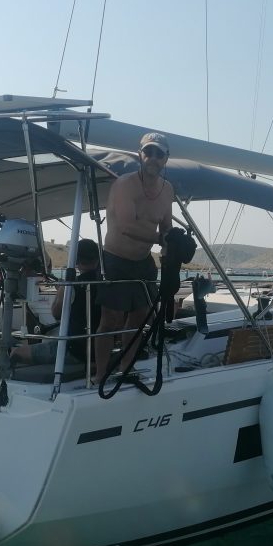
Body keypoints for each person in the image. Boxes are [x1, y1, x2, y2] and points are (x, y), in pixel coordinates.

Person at [95, 131, 175, 379]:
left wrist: (172, 252)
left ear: (166, 158)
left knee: (140, 319)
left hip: (143, 262)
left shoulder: (167, 190)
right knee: (110, 320)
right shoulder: (124, 185)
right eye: (148, 152)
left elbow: (167, 228)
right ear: (140, 155)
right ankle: (100, 374)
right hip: (115, 259)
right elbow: (126, 226)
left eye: (159, 154)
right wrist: (161, 239)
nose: (153, 158)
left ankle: (125, 369)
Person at [10, 238, 101, 367]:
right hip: (101, 350)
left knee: (17, 352)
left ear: (76, 261)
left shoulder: (72, 286)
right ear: (98, 259)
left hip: (75, 351)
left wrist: (62, 290)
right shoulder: (108, 283)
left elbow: (56, 314)